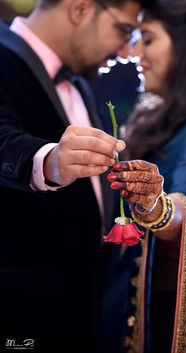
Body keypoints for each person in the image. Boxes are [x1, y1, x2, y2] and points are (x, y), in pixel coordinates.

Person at [0, 0, 145, 351]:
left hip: (80, 314)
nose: (128, 50)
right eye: (124, 30)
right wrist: (49, 161)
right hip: (18, 317)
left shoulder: (81, 83)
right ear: (79, 9)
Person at [101, 0, 186, 352]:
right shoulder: (160, 121)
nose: (134, 52)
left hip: (159, 325)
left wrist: (155, 206)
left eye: (147, 38)